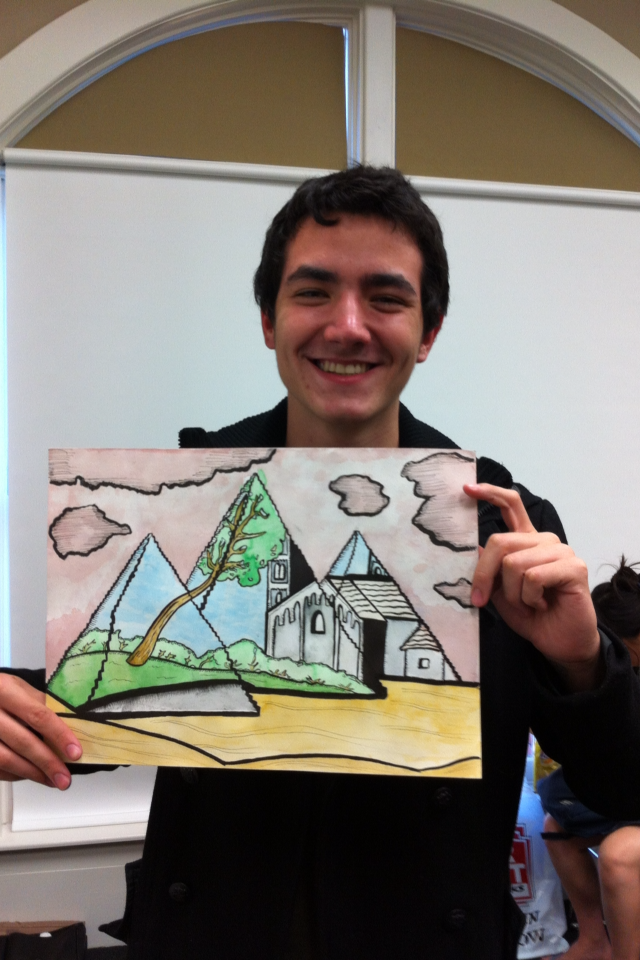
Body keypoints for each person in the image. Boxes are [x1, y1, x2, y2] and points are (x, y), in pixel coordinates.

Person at [2, 166, 640, 960]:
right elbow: (121, 692)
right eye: (313, 292)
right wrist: (19, 711)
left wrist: (582, 663)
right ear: (269, 321)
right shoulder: (191, 495)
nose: (347, 326)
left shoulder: (501, 522)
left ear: (428, 331)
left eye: (386, 297)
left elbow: (621, 787)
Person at [540, 558, 640, 960]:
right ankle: (595, 940)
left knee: (619, 853)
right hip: (627, 800)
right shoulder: (604, 677)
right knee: (556, 828)